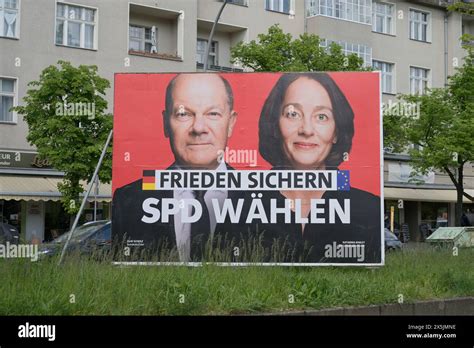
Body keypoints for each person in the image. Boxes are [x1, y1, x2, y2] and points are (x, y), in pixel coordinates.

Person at [112, 73, 246, 262]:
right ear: (166, 122)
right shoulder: (129, 199)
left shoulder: (267, 200)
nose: (198, 128)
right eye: (183, 114)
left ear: (231, 123)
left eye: (213, 114)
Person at [255, 73, 381, 263]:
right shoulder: (240, 205)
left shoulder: (370, 209)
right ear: (275, 126)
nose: (306, 130)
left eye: (321, 116)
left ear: (336, 132)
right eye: (292, 114)